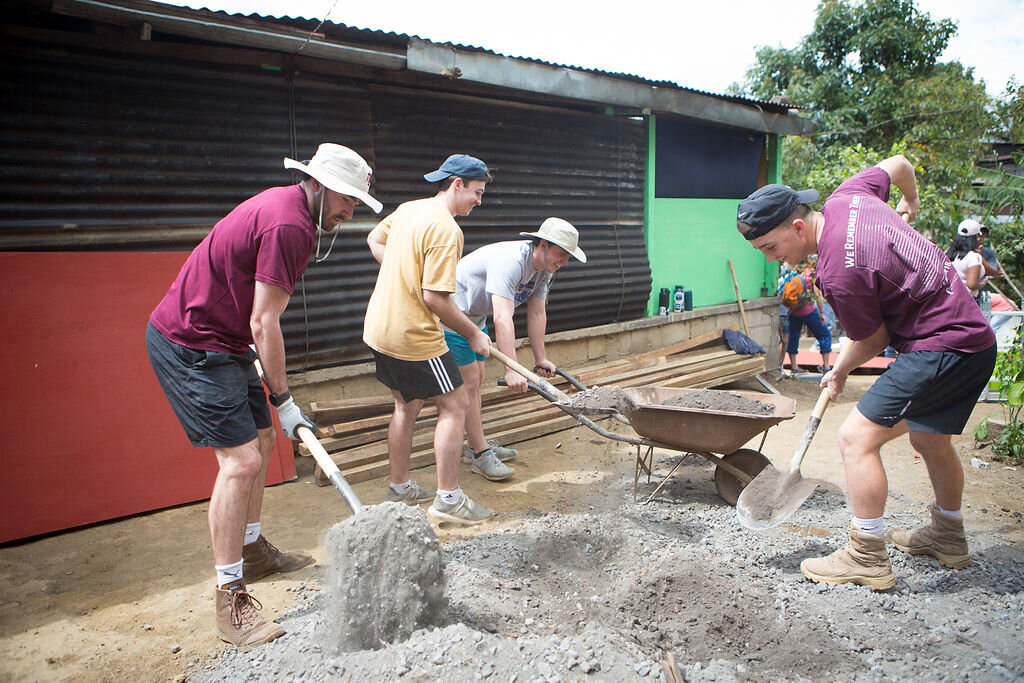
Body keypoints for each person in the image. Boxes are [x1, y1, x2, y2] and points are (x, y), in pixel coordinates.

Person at [146, 144, 381, 647]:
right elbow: (264, 320)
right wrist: (286, 398)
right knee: (241, 463)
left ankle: (251, 550)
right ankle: (230, 597)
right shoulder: (290, 226)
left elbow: (254, 317)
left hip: (225, 340)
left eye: (356, 203)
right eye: (345, 199)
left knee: (262, 440)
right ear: (316, 184)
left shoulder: (294, 213)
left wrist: (277, 404)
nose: (349, 210)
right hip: (191, 342)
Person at [737, 154, 996, 590]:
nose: (770, 258)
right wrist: (911, 202)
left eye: (770, 247)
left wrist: (838, 369)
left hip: (942, 346)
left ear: (798, 227)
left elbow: (873, 342)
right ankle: (948, 535)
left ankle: (865, 555)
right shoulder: (848, 196)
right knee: (929, 438)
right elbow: (899, 164)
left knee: (856, 438)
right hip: (973, 340)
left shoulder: (840, 269)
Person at [364, 153, 495, 526]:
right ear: (457, 184)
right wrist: (474, 334)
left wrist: (399, 270)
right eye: (477, 192)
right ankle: (449, 499)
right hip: (412, 335)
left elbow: (374, 237)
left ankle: (400, 488)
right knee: (456, 404)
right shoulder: (447, 230)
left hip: (379, 328)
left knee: (406, 406)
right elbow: (434, 298)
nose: (479, 201)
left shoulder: (408, 209)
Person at [445, 218, 587, 481]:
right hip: (452, 316)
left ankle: (476, 443)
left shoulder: (544, 270)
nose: (564, 262)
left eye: (568, 257)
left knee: (476, 382)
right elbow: (502, 317)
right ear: (542, 244)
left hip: (475, 320)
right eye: (562, 255)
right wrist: (511, 369)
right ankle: (480, 452)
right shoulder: (510, 260)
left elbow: (536, 313)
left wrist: (540, 358)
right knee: (471, 383)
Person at [779, 259, 832, 373]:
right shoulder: (812, 276)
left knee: (793, 337)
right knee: (824, 335)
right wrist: (822, 313)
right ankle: (826, 366)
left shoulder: (794, 275)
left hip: (793, 311)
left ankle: (794, 367)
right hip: (808, 312)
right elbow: (817, 296)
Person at [946, 220, 986, 299]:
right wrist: (982, 283)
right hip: (965, 300)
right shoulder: (973, 257)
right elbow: (972, 285)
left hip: (947, 298)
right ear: (976, 238)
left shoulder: (948, 255)